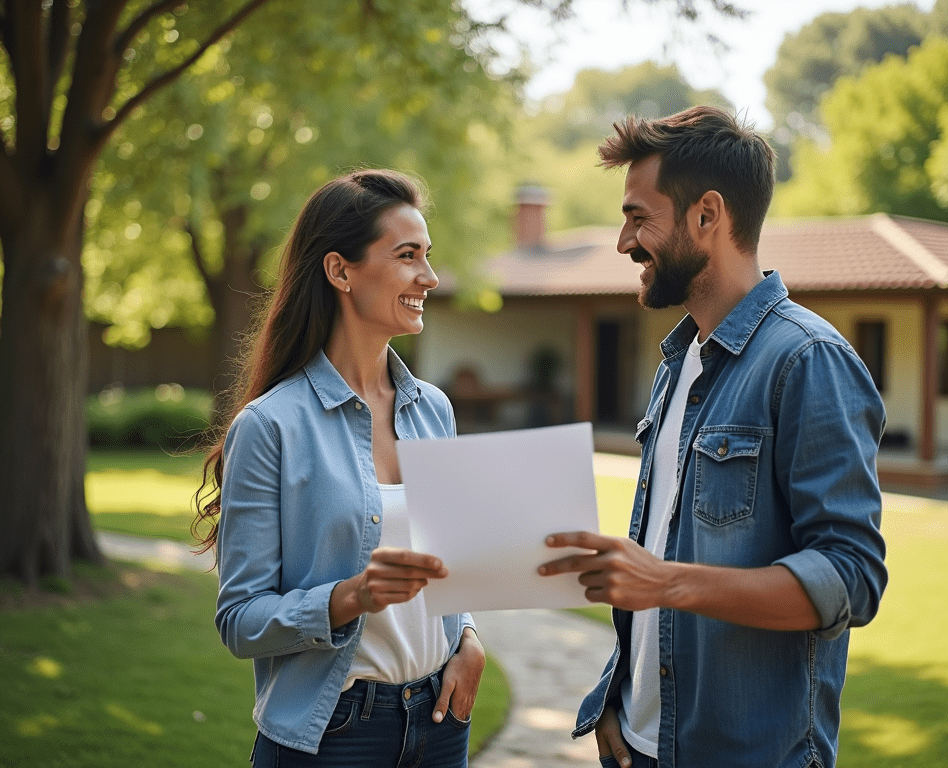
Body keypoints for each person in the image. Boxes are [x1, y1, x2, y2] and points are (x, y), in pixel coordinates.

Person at [539, 106, 888, 768]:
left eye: (638, 217)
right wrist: (618, 697)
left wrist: (666, 582)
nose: (622, 243)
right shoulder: (678, 366)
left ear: (707, 216)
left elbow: (852, 575)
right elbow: (665, 554)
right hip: (642, 748)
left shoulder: (807, 359)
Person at [193, 169, 486, 766]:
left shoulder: (435, 410)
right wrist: (349, 597)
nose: (428, 277)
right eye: (408, 256)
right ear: (340, 271)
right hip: (334, 737)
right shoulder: (270, 427)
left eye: (427, 257)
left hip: (439, 725)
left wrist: (469, 639)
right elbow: (239, 620)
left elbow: (452, 567)